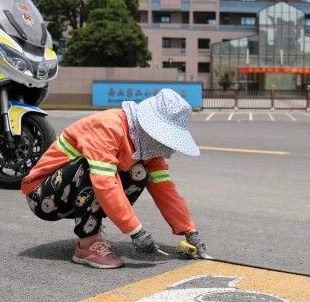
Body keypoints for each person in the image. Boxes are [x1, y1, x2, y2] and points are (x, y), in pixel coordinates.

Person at [21, 89, 208, 269]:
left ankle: (91, 226)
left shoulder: (147, 147)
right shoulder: (109, 126)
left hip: (71, 195)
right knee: (95, 169)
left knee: (139, 173)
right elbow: (103, 182)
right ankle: (86, 246)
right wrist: (136, 230)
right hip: (43, 195)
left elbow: (164, 189)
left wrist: (189, 231)